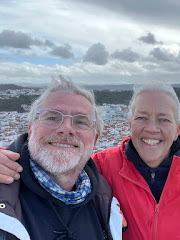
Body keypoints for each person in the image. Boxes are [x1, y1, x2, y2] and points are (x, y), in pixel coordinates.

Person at [0, 82, 180, 239]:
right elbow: (58, 158)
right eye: (142, 117)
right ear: (130, 123)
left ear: (178, 129)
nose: (151, 128)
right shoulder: (101, 167)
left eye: (164, 120)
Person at [0, 77, 123, 240]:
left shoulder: (106, 202)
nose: (66, 129)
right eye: (52, 117)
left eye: (81, 121)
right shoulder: (4, 193)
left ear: (95, 140)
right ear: (31, 129)